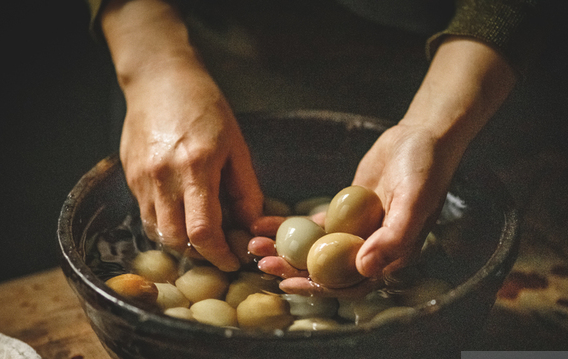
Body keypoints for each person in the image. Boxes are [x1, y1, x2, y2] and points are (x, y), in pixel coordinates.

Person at [87, 0, 542, 295]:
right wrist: (153, 67)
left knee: (447, 264)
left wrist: (432, 130)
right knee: (191, 219)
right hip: (207, 46)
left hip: (452, 72)